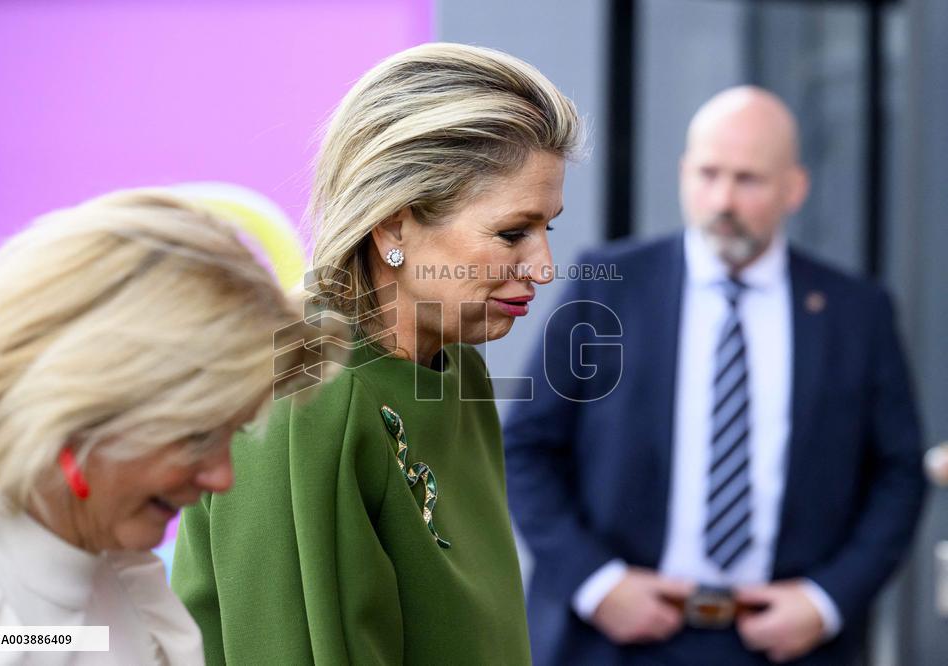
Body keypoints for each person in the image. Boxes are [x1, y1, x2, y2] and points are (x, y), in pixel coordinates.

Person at [171, 42, 583, 664]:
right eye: (511, 233)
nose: (543, 267)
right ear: (393, 225)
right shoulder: (306, 389)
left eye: (545, 228)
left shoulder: (457, 365)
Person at [504, 86, 926, 664]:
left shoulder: (857, 312)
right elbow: (527, 445)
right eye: (708, 174)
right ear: (684, 173)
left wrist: (827, 599)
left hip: (788, 644)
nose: (723, 200)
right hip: (614, 640)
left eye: (748, 179)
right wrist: (598, 584)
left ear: (794, 187)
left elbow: (898, 472)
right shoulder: (608, 286)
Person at [0, 189, 333, 664]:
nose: (222, 477)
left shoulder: (124, 573)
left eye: (233, 434)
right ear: (81, 398)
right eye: (196, 435)